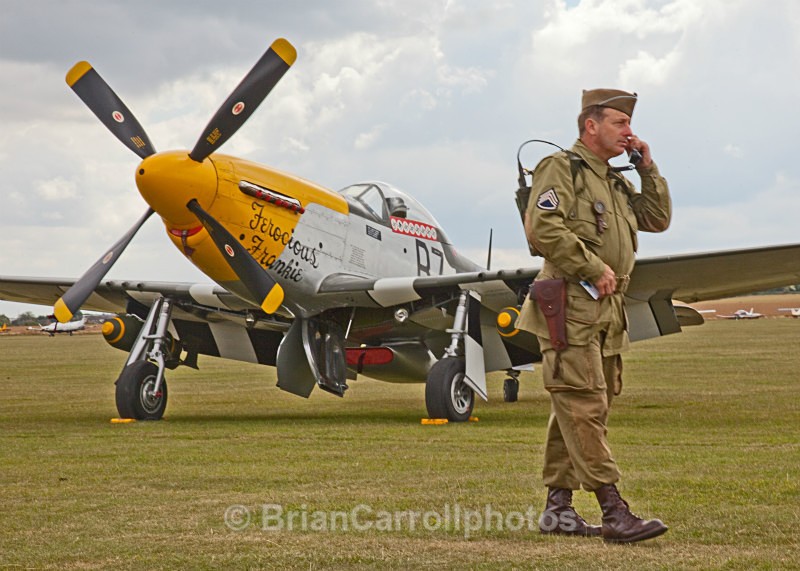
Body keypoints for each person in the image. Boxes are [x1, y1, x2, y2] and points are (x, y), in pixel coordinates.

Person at [516, 88, 672, 543]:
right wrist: (592, 266)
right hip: (570, 304)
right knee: (582, 404)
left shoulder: (614, 180)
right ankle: (614, 509)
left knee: (582, 405)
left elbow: (657, 218)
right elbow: (542, 225)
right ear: (591, 126)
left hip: (605, 309)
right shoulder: (562, 168)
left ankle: (559, 509)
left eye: (629, 124)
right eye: (620, 123)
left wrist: (647, 168)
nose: (629, 132)